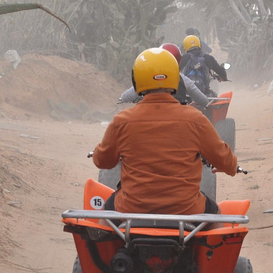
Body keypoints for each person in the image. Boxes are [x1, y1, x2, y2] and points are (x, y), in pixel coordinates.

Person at [92, 47, 238, 215]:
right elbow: (225, 160)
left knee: (103, 219)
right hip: (187, 211)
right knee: (217, 218)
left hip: (131, 208)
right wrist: (231, 166)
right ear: (176, 78)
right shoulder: (196, 120)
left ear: (136, 79)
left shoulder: (121, 121)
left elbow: (102, 162)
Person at [118, 43, 209, 107]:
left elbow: (125, 97)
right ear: (179, 61)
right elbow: (204, 100)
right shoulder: (184, 80)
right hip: (177, 124)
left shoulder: (147, 77)